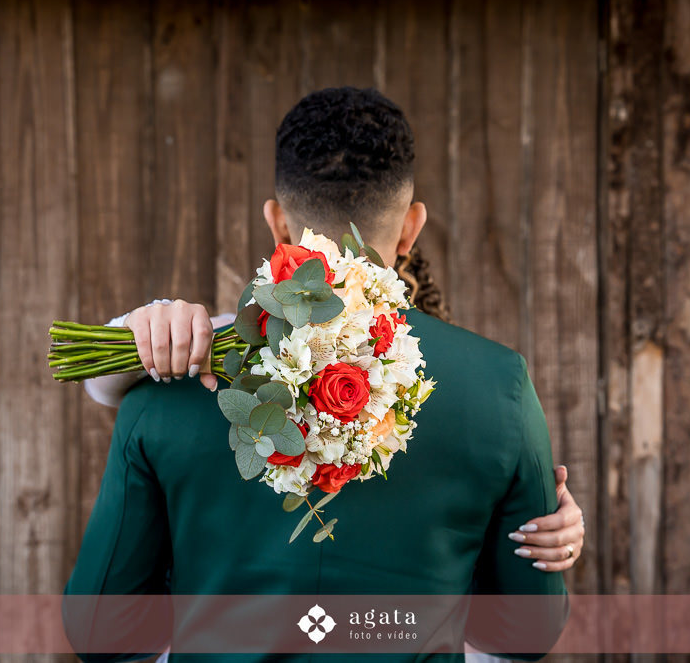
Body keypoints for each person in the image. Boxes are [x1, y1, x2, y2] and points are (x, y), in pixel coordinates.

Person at [64, 87, 579, 661]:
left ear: (277, 223)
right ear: (412, 228)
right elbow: (524, 632)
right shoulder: (500, 386)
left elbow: (102, 633)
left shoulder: (165, 387)